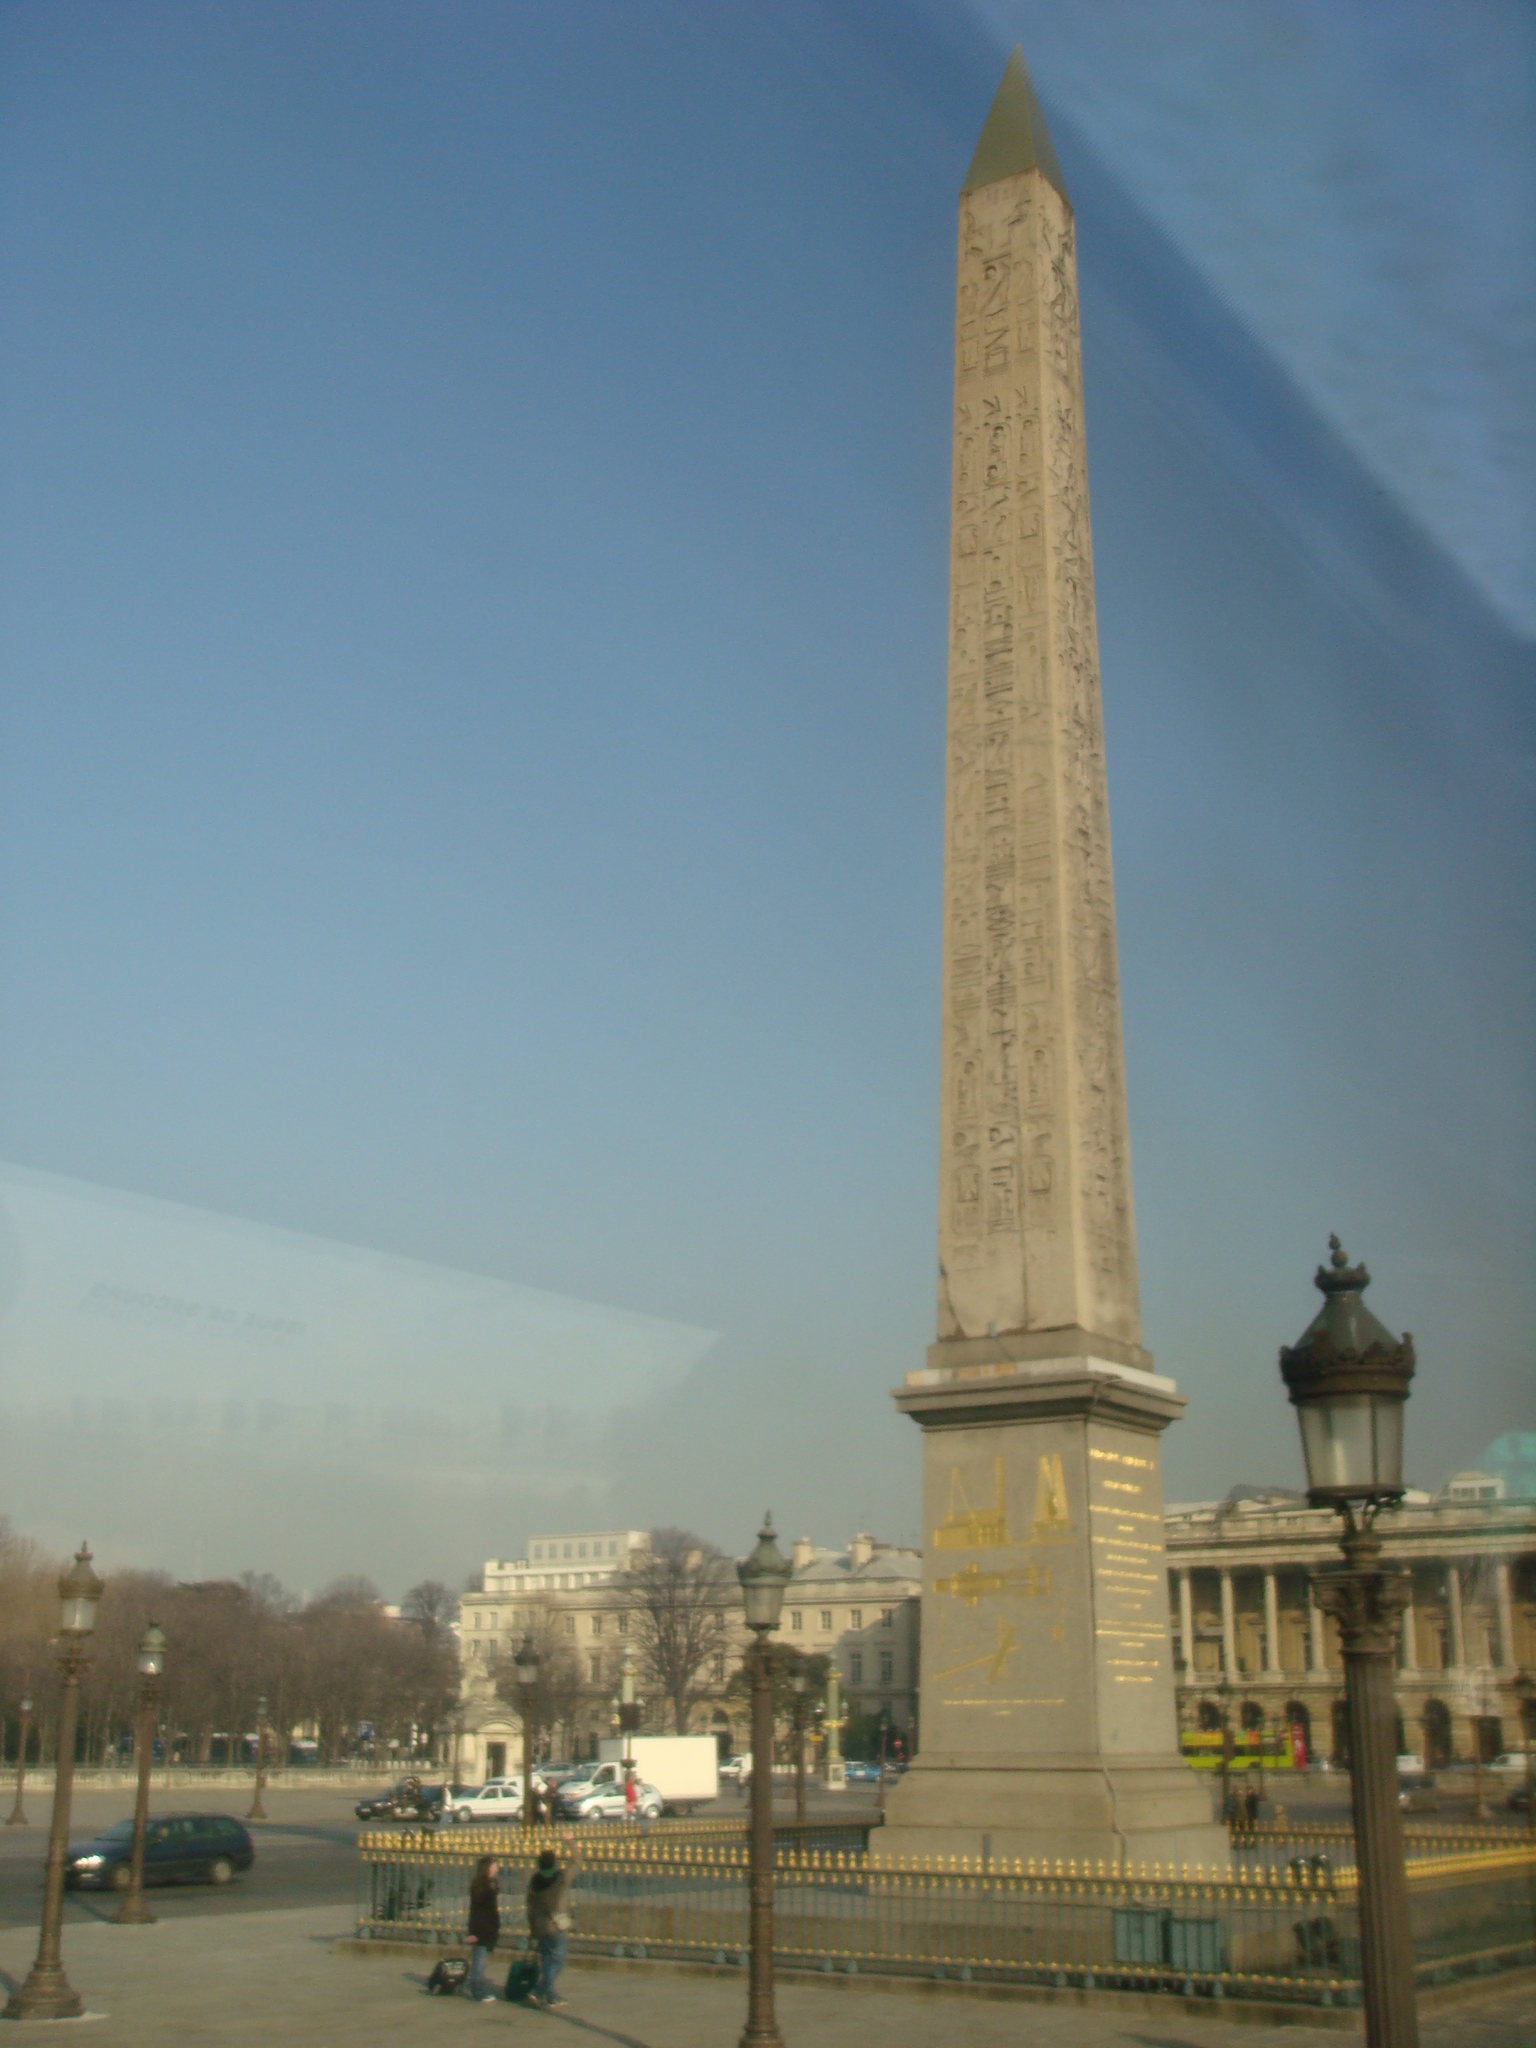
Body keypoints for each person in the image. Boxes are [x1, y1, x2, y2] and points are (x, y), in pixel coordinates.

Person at [526, 1836, 578, 2010]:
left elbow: (530, 1907)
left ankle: (547, 1994)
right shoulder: (560, 1878)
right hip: (556, 1924)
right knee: (559, 1959)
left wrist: (532, 1928)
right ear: (554, 1864)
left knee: (547, 1960)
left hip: (541, 1927)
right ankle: (540, 1991)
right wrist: (570, 1842)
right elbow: (578, 1863)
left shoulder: (534, 1882)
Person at [465, 1855, 500, 2002]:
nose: (496, 1867)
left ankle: (477, 1987)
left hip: (488, 1928)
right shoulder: (481, 1886)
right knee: (479, 1961)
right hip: (481, 1929)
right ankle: (477, 1991)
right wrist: (473, 1932)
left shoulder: (491, 1884)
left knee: (481, 1959)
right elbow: (476, 1912)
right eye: (494, 1865)